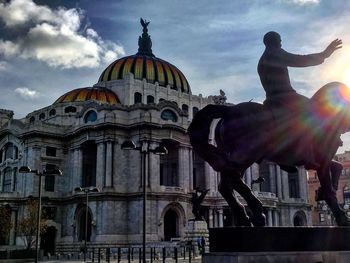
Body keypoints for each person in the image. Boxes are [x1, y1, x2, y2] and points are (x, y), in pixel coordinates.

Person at [258, 31, 342, 167]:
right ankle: (307, 152)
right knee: (315, 113)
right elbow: (301, 60)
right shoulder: (275, 53)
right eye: (279, 40)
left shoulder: (262, 59)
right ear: (273, 41)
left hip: (271, 99)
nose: (281, 42)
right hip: (285, 96)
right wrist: (326, 53)